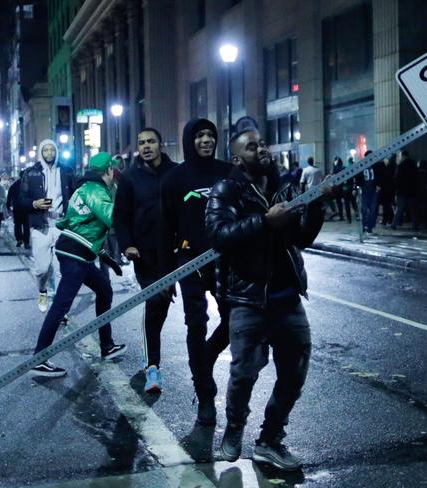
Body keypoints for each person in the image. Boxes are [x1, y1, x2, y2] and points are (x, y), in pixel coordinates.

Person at [206, 127, 326, 471]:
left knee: (295, 372)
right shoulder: (225, 190)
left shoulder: (282, 188)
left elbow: (301, 238)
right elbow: (218, 236)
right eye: (251, 146)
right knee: (244, 373)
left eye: (262, 144)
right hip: (247, 299)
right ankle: (234, 429)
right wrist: (263, 221)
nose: (261, 149)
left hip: (287, 298)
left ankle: (270, 440)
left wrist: (316, 203)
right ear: (235, 157)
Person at [158, 118, 233, 420]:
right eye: (200, 136)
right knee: (196, 324)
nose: (206, 140)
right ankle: (204, 393)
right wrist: (166, 275)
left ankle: (206, 356)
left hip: (225, 260)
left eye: (210, 135)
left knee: (233, 319)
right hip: (188, 262)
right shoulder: (174, 179)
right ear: (190, 140)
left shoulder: (228, 172)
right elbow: (165, 229)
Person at [31, 152, 127, 377]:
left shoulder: (83, 188)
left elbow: (84, 225)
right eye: (114, 171)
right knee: (61, 305)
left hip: (77, 252)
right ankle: (39, 357)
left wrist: (106, 257)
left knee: (104, 288)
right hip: (75, 254)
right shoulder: (95, 190)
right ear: (109, 171)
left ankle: (107, 345)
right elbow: (112, 217)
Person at [114, 128, 177, 391]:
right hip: (145, 254)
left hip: (175, 254)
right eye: (141, 143)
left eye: (151, 141)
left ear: (161, 144)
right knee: (154, 304)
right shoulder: (129, 177)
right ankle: (152, 367)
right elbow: (121, 215)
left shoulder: (176, 173)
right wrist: (127, 244)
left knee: (163, 308)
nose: (146, 146)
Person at [18, 139, 75, 312]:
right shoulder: (30, 173)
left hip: (61, 225)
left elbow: (75, 194)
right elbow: (20, 199)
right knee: (42, 269)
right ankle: (43, 291)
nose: (49, 153)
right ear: (41, 153)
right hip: (40, 226)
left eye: (52, 150)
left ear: (56, 151)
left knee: (61, 270)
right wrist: (35, 203)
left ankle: (60, 309)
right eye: (45, 150)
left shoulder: (66, 171)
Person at [392, 150, 417, 230]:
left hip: (402, 191)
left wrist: (396, 190)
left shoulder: (400, 166)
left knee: (399, 209)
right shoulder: (413, 164)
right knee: (413, 210)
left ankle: (394, 224)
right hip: (412, 190)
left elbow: (397, 179)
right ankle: (414, 225)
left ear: (402, 156)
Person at [357, 150, 381, 233]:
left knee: (372, 209)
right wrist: (358, 186)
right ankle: (365, 225)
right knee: (364, 209)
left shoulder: (376, 165)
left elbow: (380, 175)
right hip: (365, 190)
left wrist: (378, 185)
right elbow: (358, 177)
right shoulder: (362, 165)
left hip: (373, 190)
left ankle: (370, 226)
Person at [7, 173, 31, 249]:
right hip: (25, 208)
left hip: (17, 208)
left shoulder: (14, 185)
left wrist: (9, 206)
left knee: (18, 225)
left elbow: (9, 197)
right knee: (26, 225)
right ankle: (26, 242)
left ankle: (19, 240)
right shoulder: (29, 185)